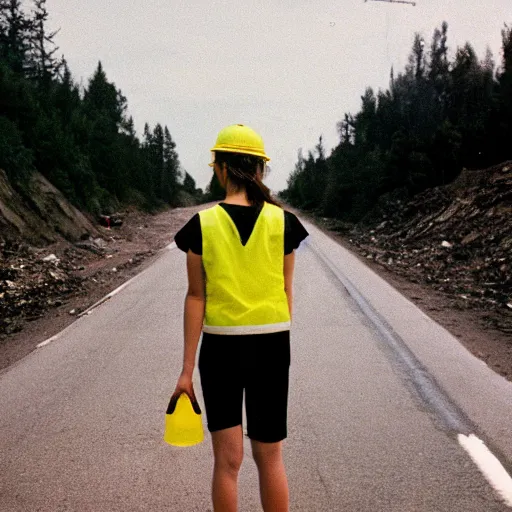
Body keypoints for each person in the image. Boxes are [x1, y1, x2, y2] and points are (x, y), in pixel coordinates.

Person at [172, 124, 309, 512]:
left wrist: (185, 370)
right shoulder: (283, 224)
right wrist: (277, 338)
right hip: (271, 346)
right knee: (271, 459)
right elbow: (286, 292)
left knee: (227, 463)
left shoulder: (202, 225)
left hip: (221, 351)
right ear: (261, 170)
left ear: (220, 169)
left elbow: (195, 297)